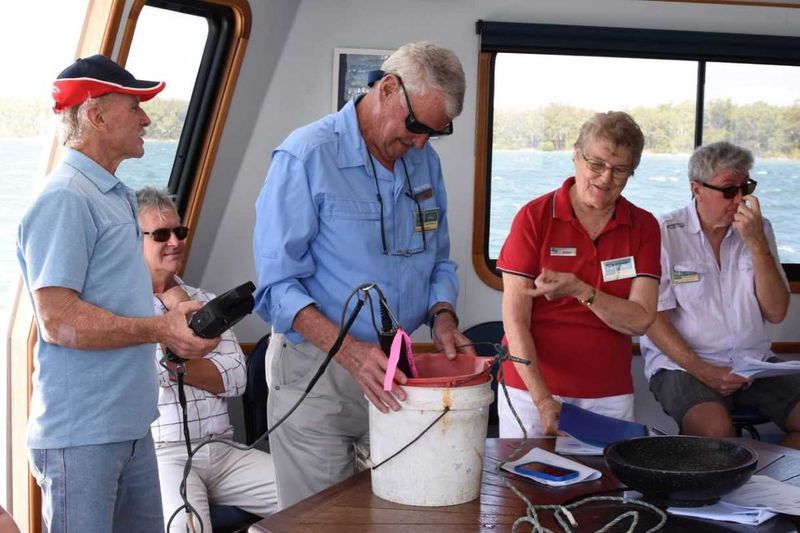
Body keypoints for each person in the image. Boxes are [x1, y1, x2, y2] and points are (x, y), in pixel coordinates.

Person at [253, 41, 473, 508]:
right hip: (319, 374)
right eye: (416, 126)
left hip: (399, 374)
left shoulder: (424, 162)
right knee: (322, 519)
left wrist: (443, 316)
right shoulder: (307, 156)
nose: (420, 143)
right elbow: (276, 287)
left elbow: (439, 261)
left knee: (400, 512)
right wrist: (349, 351)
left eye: (436, 133)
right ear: (388, 88)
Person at [16, 55, 218, 532]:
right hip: (82, 437)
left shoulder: (116, 196)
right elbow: (59, 321)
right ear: (96, 115)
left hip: (129, 428)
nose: (147, 118)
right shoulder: (66, 198)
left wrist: (172, 321)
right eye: (135, 106)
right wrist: (161, 329)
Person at [496, 111, 661, 438]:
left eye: (619, 170)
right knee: (524, 486)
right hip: (530, 390)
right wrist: (543, 400)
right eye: (596, 164)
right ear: (575, 155)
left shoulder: (644, 226)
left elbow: (640, 320)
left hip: (608, 393)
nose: (605, 179)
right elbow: (515, 321)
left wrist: (582, 291)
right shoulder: (535, 217)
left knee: (606, 488)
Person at [136, 187, 278, 531]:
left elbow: (235, 379)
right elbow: (148, 378)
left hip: (223, 450)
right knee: (185, 527)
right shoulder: (125, 312)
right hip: (165, 456)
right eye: (160, 234)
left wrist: (178, 361)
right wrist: (189, 358)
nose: (174, 241)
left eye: (179, 232)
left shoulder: (205, 300)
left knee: (314, 497)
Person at [641, 141, 800, 448]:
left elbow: (777, 311)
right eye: (729, 190)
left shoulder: (759, 230)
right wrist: (705, 371)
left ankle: (769, 488)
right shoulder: (663, 233)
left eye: (746, 187)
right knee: (716, 434)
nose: (740, 199)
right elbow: (653, 320)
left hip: (753, 363)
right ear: (697, 189)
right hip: (683, 366)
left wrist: (756, 245)